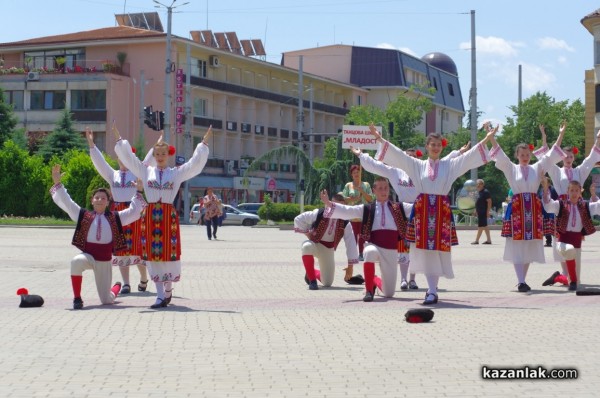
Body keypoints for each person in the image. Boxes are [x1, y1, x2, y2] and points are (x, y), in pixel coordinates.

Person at [367, 123, 496, 305]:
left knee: (437, 251)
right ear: (427, 146)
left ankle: (432, 290)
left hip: (441, 211)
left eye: (438, 145)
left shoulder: (449, 165)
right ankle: (432, 290)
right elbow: (397, 155)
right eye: (432, 144)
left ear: (441, 147)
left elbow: (468, 157)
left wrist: (487, 138)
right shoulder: (417, 165)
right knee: (425, 251)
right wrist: (379, 139)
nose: (435, 148)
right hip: (423, 210)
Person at [114, 126, 211, 309]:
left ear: (169, 154)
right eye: (157, 153)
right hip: (150, 216)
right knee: (153, 256)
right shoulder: (145, 171)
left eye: (163, 154)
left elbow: (193, 165)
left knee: (168, 255)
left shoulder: (175, 173)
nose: (159, 157)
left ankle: (167, 289)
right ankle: (159, 296)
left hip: (167, 217)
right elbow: (130, 159)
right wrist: (120, 141)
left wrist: (203, 144)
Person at [351, 142, 470, 291]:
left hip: (421, 211)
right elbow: (377, 166)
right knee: (403, 249)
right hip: (402, 211)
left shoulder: (422, 169)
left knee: (418, 247)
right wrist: (361, 155)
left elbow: (445, 162)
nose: (410, 159)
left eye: (413, 157)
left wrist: (459, 151)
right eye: (408, 157)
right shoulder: (395, 172)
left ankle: (412, 279)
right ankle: (402, 279)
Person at [49, 164, 147, 310]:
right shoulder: (84, 216)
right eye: (97, 197)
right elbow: (68, 203)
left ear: (108, 202)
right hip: (88, 257)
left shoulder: (115, 217)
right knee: (76, 262)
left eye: (103, 198)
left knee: (106, 301)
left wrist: (138, 191)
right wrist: (58, 183)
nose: (100, 200)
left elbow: (133, 211)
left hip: (104, 262)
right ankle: (77, 298)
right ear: (92, 200)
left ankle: (116, 287)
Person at [488, 122, 566, 292]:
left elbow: (551, 155)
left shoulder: (537, 168)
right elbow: (500, 155)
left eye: (527, 154)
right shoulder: (511, 168)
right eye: (522, 154)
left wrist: (560, 135)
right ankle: (521, 280)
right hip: (517, 209)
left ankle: (522, 280)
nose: (525, 157)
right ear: (517, 155)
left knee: (530, 244)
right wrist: (491, 136)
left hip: (532, 209)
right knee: (517, 244)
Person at [320, 177, 412, 302]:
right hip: (374, 245)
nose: (383, 191)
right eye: (380, 188)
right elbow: (349, 211)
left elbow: (416, 207)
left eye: (386, 188)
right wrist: (329, 204)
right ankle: (369, 290)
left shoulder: (398, 207)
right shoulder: (368, 209)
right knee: (368, 252)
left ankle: (374, 280)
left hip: (391, 249)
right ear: (373, 190)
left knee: (389, 293)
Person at [87, 126, 154, 294]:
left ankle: (144, 278)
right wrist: (91, 145)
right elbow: (100, 164)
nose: (123, 161)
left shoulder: (137, 173)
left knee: (137, 249)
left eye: (126, 158)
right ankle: (126, 283)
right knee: (121, 249)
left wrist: (156, 146)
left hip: (134, 211)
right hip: (117, 213)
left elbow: (148, 160)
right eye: (121, 158)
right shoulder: (113, 175)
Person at [538, 123, 600, 285]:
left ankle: (566, 277)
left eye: (571, 156)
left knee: (575, 243)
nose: (568, 158)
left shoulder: (579, 171)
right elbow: (547, 160)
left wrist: (598, 139)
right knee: (562, 243)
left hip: (578, 209)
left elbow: (590, 160)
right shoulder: (557, 171)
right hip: (561, 208)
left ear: (574, 158)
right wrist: (545, 139)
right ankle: (565, 276)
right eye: (565, 156)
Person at [541, 179, 599, 291]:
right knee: (569, 250)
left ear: (580, 192)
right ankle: (572, 281)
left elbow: (598, 207)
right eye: (572, 190)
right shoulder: (561, 204)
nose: (574, 193)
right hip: (562, 242)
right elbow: (548, 206)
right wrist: (545, 189)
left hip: (577, 243)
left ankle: (558, 277)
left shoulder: (585, 206)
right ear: (568, 191)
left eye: (577, 190)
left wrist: (593, 195)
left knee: (577, 282)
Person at [294, 193, 359, 290]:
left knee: (327, 282)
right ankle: (312, 281)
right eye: (335, 206)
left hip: (328, 250)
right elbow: (298, 219)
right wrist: (308, 234)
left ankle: (310, 272)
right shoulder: (319, 213)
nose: (338, 210)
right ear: (330, 204)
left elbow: (351, 244)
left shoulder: (345, 223)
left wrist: (350, 266)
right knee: (306, 247)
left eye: (341, 207)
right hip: (315, 244)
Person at [342, 164, 373, 260]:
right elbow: (344, 199)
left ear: (361, 173)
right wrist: (354, 198)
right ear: (351, 174)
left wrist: (362, 191)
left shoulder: (366, 185)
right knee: (352, 237)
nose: (356, 174)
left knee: (363, 237)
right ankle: (353, 255)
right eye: (354, 172)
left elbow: (370, 199)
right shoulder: (348, 185)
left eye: (358, 172)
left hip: (364, 215)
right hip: (352, 216)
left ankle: (361, 254)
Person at [471, 179, 492, 245]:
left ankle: (476, 240)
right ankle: (489, 240)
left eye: (480, 184)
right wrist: (475, 210)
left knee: (480, 227)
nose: (478, 185)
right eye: (477, 184)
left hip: (483, 212)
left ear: (483, 184)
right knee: (485, 226)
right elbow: (477, 203)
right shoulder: (478, 192)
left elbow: (489, 202)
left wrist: (488, 212)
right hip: (479, 211)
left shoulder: (485, 192)